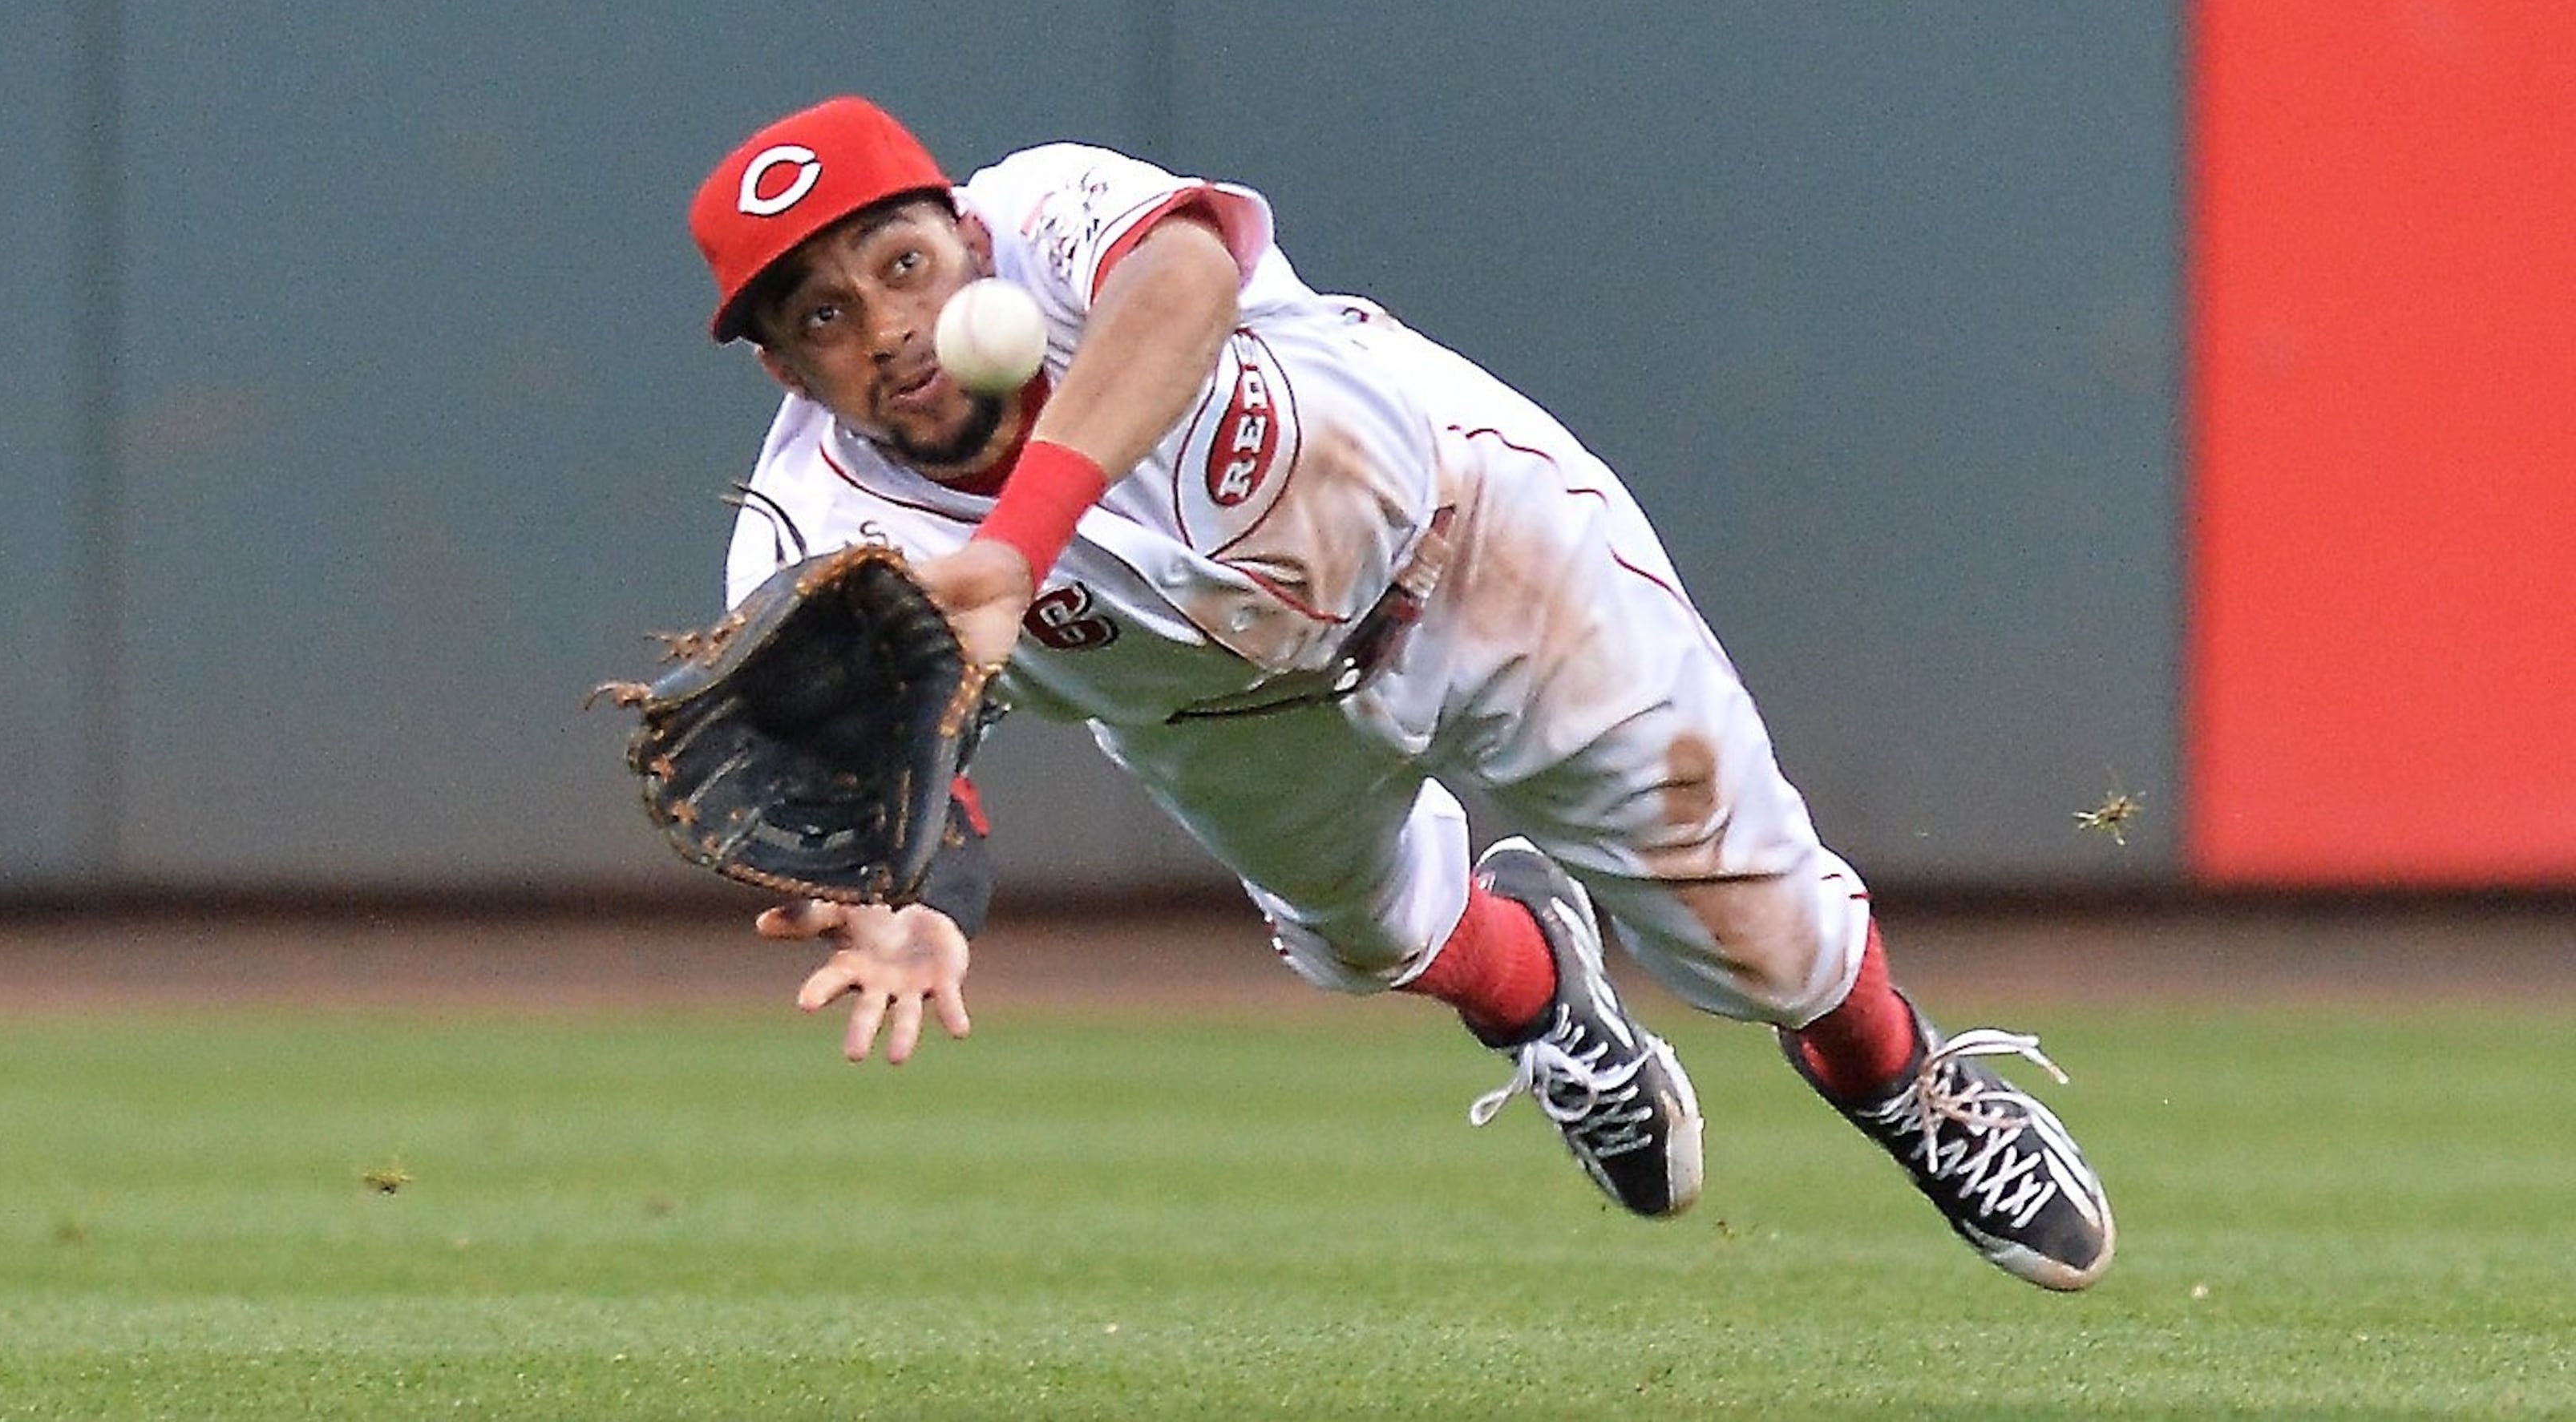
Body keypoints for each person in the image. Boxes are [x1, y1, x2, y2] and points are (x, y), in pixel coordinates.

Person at [679, 95, 2115, 1291]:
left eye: (904, 264)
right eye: (822, 312)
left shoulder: (1049, 210)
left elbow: (1181, 284)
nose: (886, 326)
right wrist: (910, 897)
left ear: (963, 230)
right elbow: (851, 765)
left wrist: (1015, 543)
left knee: (1773, 946)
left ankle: (1905, 1089)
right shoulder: (806, 524)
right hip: (1217, 720)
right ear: (777, 361)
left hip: (1476, 547)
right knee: (1369, 941)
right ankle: (1549, 1002)